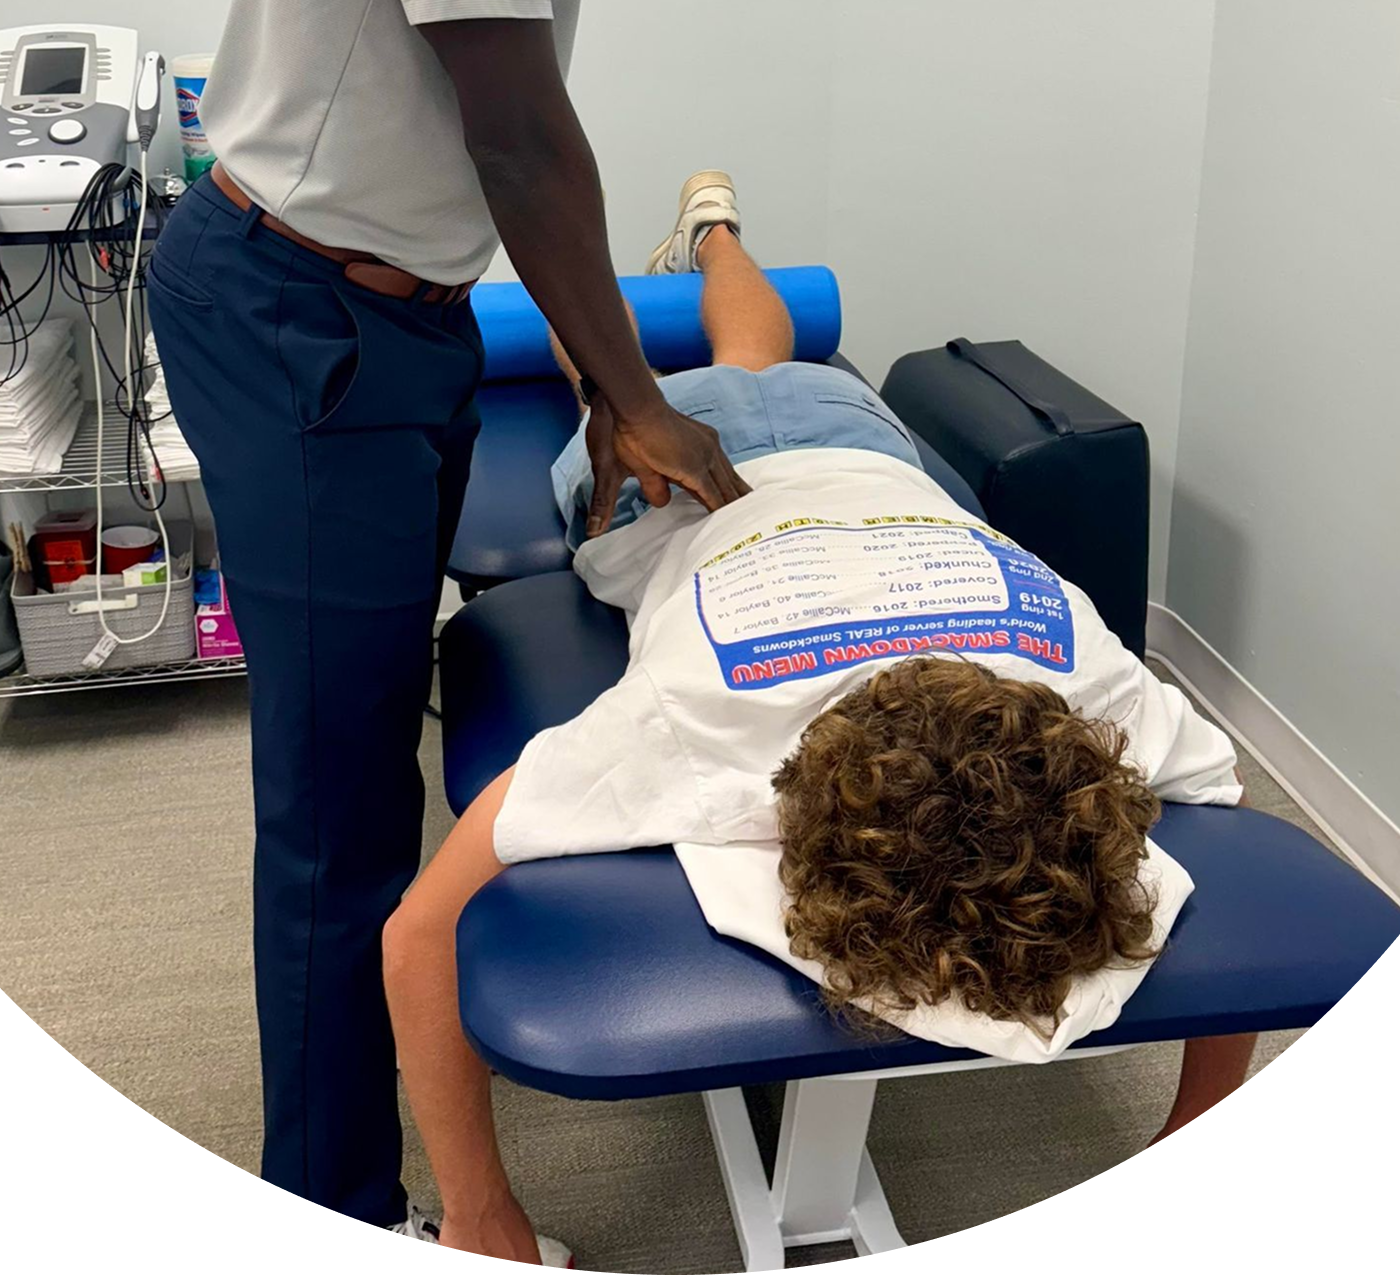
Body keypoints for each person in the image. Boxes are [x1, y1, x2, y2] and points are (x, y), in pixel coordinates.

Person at [147, 0, 830, 1225]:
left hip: (403, 318)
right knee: (334, 792)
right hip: (303, 315)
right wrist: (636, 392)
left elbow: (501, 154)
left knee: (375, 733)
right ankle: (342, 1187)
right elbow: (520, 136)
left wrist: (610, 388)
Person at [382, 173, 1257, 1261]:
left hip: (866, 465)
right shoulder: (707, 724)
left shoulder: (1091, 690)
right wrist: (482, 1215)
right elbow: (420, 940)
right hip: (734, 480)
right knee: (623, 392)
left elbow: (414, 928)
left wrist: (481, 1213)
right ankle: (706, 235)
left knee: (726, 372)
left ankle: (708, 231)